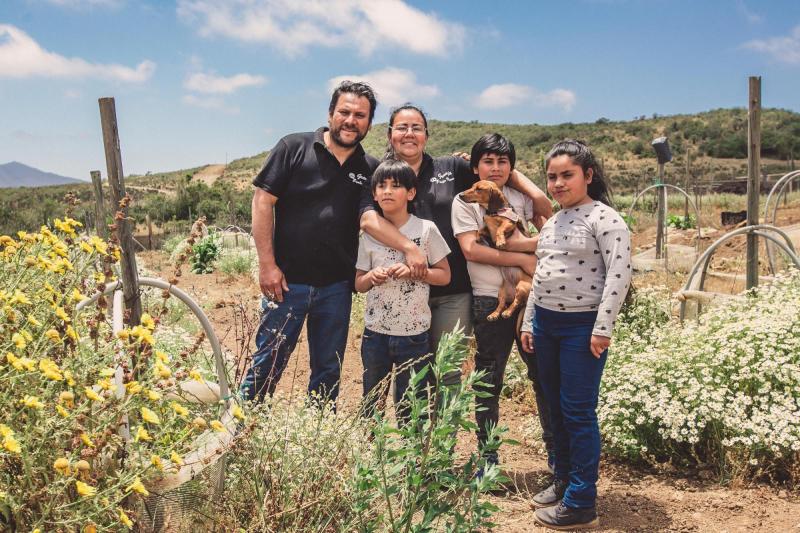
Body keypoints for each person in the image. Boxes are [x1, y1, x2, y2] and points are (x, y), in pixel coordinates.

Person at [360, 104, 552, 374]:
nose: (409, 133)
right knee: (409, 374)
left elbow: (493, 174)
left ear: (426, 135)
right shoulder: (382, 177)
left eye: (417, 128)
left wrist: (527, 185)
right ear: (390, 134)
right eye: (402, 127)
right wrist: (410, 249)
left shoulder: (452, 167)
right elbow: (367, 220)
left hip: (453, 290)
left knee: (448, 371)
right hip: (403, 286)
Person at [239, 80, 379, 405]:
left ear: (369, 124)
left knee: (328, 371)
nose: (351, 120)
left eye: (360, 115)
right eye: (344, 112)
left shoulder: (370, 169)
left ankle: (319, 434)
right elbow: (262, 201)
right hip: (286, 284)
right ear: (330, 113)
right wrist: (267, 265)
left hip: (337, 289)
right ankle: (241, 429)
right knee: (267, 364)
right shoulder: (293, 147)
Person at [520, 139, 631, 530]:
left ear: (588, 175)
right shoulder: (553, 221)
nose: (558, 184)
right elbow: (541, 275)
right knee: (555, 407)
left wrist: (602, 328)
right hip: (546, 325)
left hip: (582, 329)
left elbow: (619, 275)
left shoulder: (605, 219)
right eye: (552, 177)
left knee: (578, 412)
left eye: (567, 175)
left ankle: (582, 502)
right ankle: (564, 481)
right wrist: (529, 321)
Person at [451, 133, 554, 469]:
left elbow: (547, 215)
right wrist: (524, 258)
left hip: (531, 298)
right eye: (488, 162)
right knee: (488, 380)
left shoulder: (519, 198)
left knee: (543, 377)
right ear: (475, 166)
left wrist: (521, 181)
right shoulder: (465, 202)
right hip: (488, 298)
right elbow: (471, 250)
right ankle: (488, 459)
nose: (495, 168)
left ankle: (557, 457)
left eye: (503, 162)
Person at [355, 159, 451, 423]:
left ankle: (412, 449)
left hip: (414, 335)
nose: (387, 191)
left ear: (411, 193)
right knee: (372, 400)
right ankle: (370, 446)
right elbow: (359, 283)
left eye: (395, 186)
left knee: (412, 404)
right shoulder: (368, 235)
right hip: (375, 333)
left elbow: (444, 275)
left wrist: (413, 272)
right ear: (374, 194)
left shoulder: (426, 229)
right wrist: (371, 276)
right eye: (381, 186)